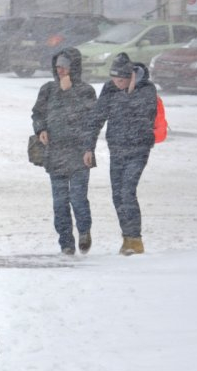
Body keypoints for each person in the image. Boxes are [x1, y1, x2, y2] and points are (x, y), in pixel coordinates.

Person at [85, 52, 156, 255]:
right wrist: (88, 147)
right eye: (114, 78)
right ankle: (127, 239)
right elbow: (97, 117)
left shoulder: (147, 90)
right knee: (117, 196)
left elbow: (143, 113)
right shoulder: (110, 88)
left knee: (127, 191)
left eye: (121, 79)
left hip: (139, 149)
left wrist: (129, 93)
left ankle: (136, 240)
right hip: (117, 149)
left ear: (131, 76)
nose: (116, 83)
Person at [31, 48, 97, 255]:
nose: (61, 70)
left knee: (78, 198)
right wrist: (40, 128)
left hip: (79, 153)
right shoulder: (47, 89)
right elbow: (37, 113)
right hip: (55, 154)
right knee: (60, 203)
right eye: (58, 66)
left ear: (74, 68)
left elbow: (90, 119)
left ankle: (84, 232)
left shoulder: (86, 90)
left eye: (65, 66)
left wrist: (69, 92)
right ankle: (66, 242)